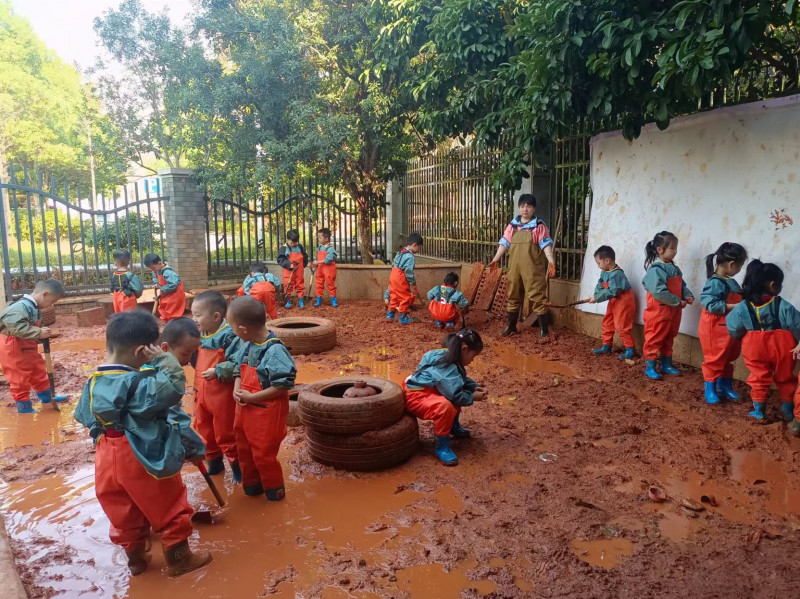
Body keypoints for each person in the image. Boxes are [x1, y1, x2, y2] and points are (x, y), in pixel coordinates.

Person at [73, 311, 211, 577]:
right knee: (169, 504)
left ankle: (136, 559)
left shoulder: (92, 382)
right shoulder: (139, 381)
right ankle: (179, 560)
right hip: (141, 456)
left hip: (105, 456)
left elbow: (84, 417)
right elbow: (172, 388)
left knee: (122, 509)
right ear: (142, 352)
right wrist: (163, 358)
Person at [228, 297, 297, 501]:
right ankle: (252, 488)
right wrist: (237, 389)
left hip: (266, 412)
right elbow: (237, 370)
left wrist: (252, 397)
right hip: (245, 410)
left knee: (263, 455)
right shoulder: (248, 345)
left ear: (243, 328)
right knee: (245, 451)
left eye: (232, 327)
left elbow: (283, 384)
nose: (232, 332)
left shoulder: (275, 350)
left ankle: (275, 494)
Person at [726, 260, 800, 423]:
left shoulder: (742, 307)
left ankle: (759, 412)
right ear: (774, 285)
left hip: (754, 348)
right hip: (783, 348)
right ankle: (788, 411)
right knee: (786, 378)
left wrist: (741, 336)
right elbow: (797, 325)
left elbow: (733, 328)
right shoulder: (784, 306)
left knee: (758, 378)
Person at [403, 329, 487, 466]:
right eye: (474, 355)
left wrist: (473, 386)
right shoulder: (446, 365)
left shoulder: (447, 356)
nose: (473, 360)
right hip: (416, 396)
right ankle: (442, 446)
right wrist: (472, 396)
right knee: (445, 405)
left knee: (457, 389)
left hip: (428, 390)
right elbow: (455, 394)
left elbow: (458, 379)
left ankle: (453, 426)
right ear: (465, 349)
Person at [190, 292, 243, 482]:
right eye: (192, 314)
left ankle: (238, 470)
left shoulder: (230, 336)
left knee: (226, 432)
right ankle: (215, 464)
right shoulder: (197, 335)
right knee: (204, 429)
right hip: (200, 394)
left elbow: (240, 363)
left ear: (216, 317)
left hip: (222, 398)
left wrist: (219, 370)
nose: (193, 319)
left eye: (198, 315)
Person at [489, 194, 556, 338]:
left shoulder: (539, 226)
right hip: (514, 268)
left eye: (529, 206)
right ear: (519, 208)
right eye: (522, 206)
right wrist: (495, 260)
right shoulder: (513, 225)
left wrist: (551, 261)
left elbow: (546, 245)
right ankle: (511, 326)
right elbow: (504, 243)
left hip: (533, 269)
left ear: (533, 209)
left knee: (538, 296)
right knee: (513, 294)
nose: (525, 209)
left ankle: (544, 331)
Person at [0, 279, 69, 413]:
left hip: (28, 345)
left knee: (38, 371)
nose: (51, 305)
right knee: (19, 376)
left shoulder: (33, 307)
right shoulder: (19, 307)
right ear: (45, 294)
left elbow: (36, 326)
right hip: (13, 346)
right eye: (52, 302)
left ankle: (48, 398)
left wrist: (42, 334)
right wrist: (38, 332)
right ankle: (24, 407)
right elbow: (16, 327)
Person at [699, 242, 748, 405]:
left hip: (728, 328)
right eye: (740, 266)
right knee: (715, 358)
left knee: (728, 357)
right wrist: (735, 306)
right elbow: (710, 304)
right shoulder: (715, 282)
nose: (739, 270)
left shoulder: (730, 281)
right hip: (715, 329)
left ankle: (724, 385)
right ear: (732, 264)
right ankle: (710, 388)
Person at [641, 231, 694, 380]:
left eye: (676, 248)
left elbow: (681, 285)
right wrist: (678, 301)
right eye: (672, 248)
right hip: (658, 313)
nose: (675, 251)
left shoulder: (674, 268)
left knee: (669, 336)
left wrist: (687, 295)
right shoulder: (656, 270)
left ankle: (666, 364)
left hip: (674, 311)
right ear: (660, 249)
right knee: (655, 338)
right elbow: (659, 292)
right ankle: (650, 366)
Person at [583, 246, 636, 359]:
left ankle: (630, 349)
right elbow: (600, 284)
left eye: (598, 263)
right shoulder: (605, 272)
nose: (598, 266)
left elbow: (613, 290)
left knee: (621, 326)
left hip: (623, 300)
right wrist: (595, 295)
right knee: (608, 321)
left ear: (607, 260)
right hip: (614, 300)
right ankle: (606, 346)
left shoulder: (617, 274)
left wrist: (597, 298)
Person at [388, 233, 423, 325]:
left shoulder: (401, 251)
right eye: (419, 248)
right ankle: (403, 318)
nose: (418, 250)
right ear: (414, 245)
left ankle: (390, 316)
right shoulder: (410, 257)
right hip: (400, 277)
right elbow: (408, 270)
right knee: (405, 296)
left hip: (393, 274)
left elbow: (393, 263)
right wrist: (412, 282)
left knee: (394, 295)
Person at [144, 253, 186, 321]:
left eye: (153, 268)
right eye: (151, 269)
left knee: (172, 309)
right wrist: (156, 283)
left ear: (159, 263)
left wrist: (162, 289)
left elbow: (174, 284)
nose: (153, 270)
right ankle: (165, 320)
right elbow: (155, 276)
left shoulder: (168, 272)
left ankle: (173, 322)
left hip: (174, 295)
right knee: (163, 306)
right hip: (166, 293)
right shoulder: (157, 270)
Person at [277, 230, 309, 309]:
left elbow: (305, 256)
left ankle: (301, 300)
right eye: (291, 243)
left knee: (300, 283)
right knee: (288, 284)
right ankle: (288, 301)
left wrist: (303, 265)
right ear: (287, 239)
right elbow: (280, 259)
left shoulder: (300, 247)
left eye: (295, 243)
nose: (293, 244)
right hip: (288, 270)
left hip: (299, 270)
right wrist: (289, 265)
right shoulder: (284, 248)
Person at [312, 227, 339, 308]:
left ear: (326, 239)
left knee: (330, 284)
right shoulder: (319, 248)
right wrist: (315, 263)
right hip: (320, 269)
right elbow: (317, 258)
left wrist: (318, 262)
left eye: (320, 237)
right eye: (318, 237)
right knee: (318, 284)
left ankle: (333, 301)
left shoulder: (330, 249)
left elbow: (328, 260)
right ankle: (318, 300)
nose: (318, 239)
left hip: (329, 270)